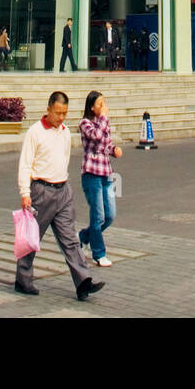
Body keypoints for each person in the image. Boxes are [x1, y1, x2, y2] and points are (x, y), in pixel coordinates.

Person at [15, 91, 104, 302]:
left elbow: (63, 159)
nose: (61, 117)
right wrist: (25, 193)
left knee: (70, 240)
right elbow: (25, 164)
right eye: (58, 113)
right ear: (48, 109)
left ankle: (83, 282)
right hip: (41, 192)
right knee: (31, 238)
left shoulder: (64, 132)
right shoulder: (35, 132)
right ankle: (23, 279)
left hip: (62, 191)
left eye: (64, 113)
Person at [78, 91, 123, 267]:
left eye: (104, 102)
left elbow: (105, 144)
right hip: (91, 174)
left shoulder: (103, 123)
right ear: (91, 107)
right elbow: (96, 137)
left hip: (106, 173)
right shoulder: (85, 123)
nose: (103, 106)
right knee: (98, 216)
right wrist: (104, 118)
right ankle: (99, 253)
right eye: (99, 104)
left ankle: (82, 237)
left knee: (109, 215)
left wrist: (114, 150)